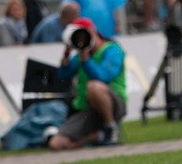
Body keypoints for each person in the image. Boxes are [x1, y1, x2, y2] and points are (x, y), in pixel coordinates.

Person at [49, 18, 127, 149]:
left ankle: (110, 127)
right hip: (87, 108)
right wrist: (66, 55)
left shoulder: (112, 50)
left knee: (94, 87)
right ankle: (96, 137)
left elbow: (103, 77)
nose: (80, 40)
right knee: (56, 144)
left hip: (113, 104)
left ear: (91, 31)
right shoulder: (79, 55)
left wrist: (86, 60)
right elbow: (62, 76)